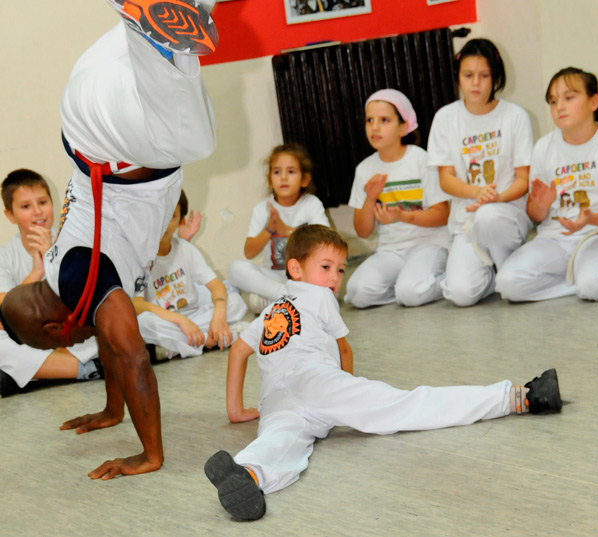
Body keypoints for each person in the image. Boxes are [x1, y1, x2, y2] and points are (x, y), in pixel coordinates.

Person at [0, 0, 232, 479]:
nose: (72, 340)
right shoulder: (70, 276)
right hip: (97, 99)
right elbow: (110, 343)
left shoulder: (78, 274)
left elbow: (127, 351)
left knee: (195, 141)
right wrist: (108, 409)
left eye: (59, 340)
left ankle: (146, 33)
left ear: (56, 326)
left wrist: (148, 453)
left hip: (116, 137)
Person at [203, 224, 562, 522]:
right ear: (296, 269)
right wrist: (345, 392)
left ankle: (249, 473)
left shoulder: (271, 309)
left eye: (341, 270)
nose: (334, 278)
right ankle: (519, 397)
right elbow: (344, 349)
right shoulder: (319, 297)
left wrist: (236, 411)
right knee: (404, 405)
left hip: (274, 399)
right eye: (325, 267)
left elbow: (239, 351)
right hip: (314, 381)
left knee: (283, 441)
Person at [427, 39, 534, 306]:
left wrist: (496, 199)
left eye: (484, 75)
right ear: (458, 77)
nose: (476, 83)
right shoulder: (445, 118)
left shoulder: (515, 116)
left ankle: (511, 267)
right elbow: (446, 179)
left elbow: (524, 180)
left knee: (488, 216)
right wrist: (476, 192)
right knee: (461, 295)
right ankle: (498, 274)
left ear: (496, 77)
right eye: (468, 75)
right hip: (465, 222)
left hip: (507, 213)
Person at [496, 67, 598, 301]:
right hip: (555, 238)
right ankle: (576, 281)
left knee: (593, 286)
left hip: (595, 234)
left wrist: (590, 219)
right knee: (507, 284)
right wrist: (542, 205)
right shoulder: (544, 146)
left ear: (594, 101)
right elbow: (535, 214)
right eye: (553, 102)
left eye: (569, 98)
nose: (559, 107)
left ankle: (585, 280)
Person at [345, 90, 449, 308]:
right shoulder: (364, 169)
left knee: (410, 293)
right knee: (357, 293)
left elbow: (442, 215)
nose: (374, 127)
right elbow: (362, 231)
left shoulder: (421, 159)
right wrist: (370, 198)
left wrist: (403, 216)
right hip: (390, 250)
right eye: (370, 120)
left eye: (384, 120)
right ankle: (406, 285)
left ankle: (450, 280)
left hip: (429, 244)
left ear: (404, 127)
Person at [0, 169, 100, 397]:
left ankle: (39, 374)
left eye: (42, 202)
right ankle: (86, 370)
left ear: (53, 204)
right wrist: (38, 271)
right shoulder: (4, 256)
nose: (37, 212)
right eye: (25, 207)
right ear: (10, 215)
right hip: (31, 336)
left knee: (124, 322)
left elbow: (88, 297)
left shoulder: (74, 241)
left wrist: (54, 261)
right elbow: (3, 316)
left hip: (73, 330)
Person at [134, 190, 248, 358]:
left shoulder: (185, 249)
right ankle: (210, 339)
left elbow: (216, 285)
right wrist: (181, 321)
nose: (162, 223)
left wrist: (219, 315)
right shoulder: (140, 255)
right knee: (142, 323)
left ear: (181, 221)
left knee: (236, 302)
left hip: (194, 314)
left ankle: (175, 347)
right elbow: (137, 304)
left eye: (170, 216)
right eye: (157, 215)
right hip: (166, 320)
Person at [228, 143, 329, 314]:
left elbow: (326, 244)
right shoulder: (262, 209)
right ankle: (287, 296)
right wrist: (268, 230)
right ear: (270, 179)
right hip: (274, 278)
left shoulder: (311, 204)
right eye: (277, 172)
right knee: (235, 268)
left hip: (304, 276)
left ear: (304, 179)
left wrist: (286, 230)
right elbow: (249, 252)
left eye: (291, 172)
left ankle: (279, 301)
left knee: (328, 276)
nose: (283, 178)